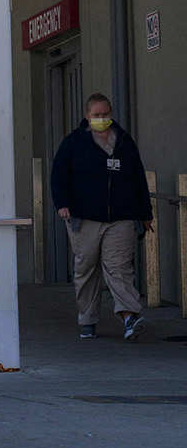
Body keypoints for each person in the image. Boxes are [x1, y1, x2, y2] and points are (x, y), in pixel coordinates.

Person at [50, 92, 154, 340]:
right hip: (84, 218)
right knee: (86, 268)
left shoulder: (124, 141)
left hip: (121, 217)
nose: (102, 118)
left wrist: (145, 213)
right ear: (87, 116)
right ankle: (87, 320)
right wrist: (62, 204)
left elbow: (138, 178)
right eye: (97, 115)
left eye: (106, 114)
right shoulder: (73, 143)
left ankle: (129, 318)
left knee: (119, 268)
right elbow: (58, 175)